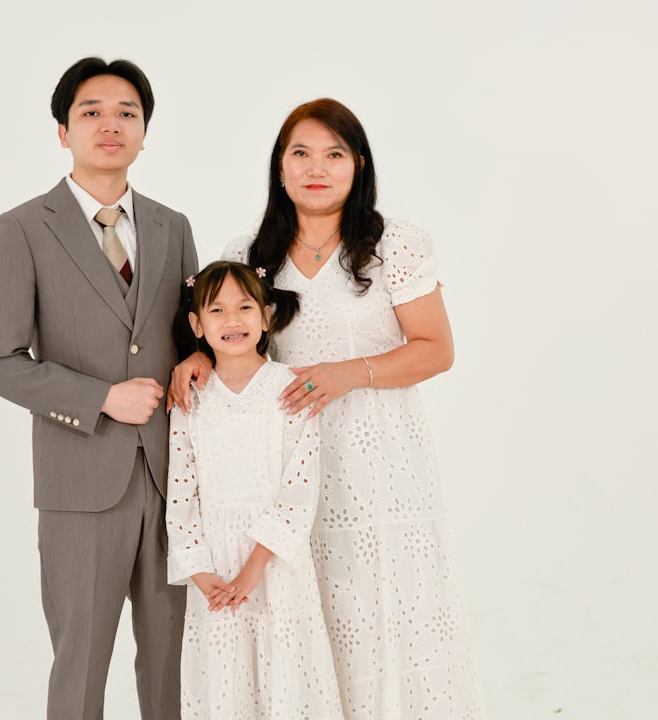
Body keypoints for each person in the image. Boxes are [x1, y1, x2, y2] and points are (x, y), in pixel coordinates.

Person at [171, 99, 485, 718]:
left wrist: (351, 373)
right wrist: (199, 359)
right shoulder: (250, 252)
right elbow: (228, 331)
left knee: (382, 614)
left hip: (379, 465)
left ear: (358, 165)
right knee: (300, 623)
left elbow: (437, 350)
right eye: (301, 154)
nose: (317, 168)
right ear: (279, 168)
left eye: (334, 154)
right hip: (279, 471)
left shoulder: (395, 245)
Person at [0, 57, 197, 720]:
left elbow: (193, 337)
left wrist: (199, 363)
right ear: (62, 131)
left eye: (127, 112)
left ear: (144, 132)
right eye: (92, 112)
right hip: (79, 484)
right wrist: (101, 398)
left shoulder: (171, 226)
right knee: (81, 665)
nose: (111, 124)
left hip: (170, 479)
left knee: (173, 664)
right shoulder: (24, 228)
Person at [166, 260, 344, 720]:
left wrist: (254, 569)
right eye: (217, 310)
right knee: (226, 683)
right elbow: (181, 496)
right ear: (196, 325)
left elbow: (299, 490)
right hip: (215, 571)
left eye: (245, 307)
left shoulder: (292, 389)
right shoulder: (191, 398)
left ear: (266, 317)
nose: (233, 320)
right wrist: (202, 573)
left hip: (276, 565)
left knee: (286, 677)